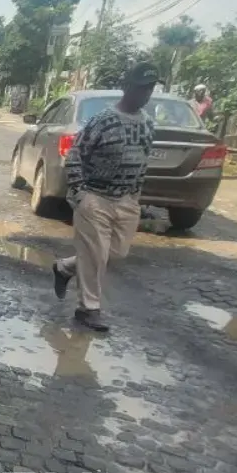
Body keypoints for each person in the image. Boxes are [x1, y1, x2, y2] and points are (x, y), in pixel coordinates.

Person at [52, 62, 158, 333]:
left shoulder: (147, 123)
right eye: (140, 88)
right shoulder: (103, 120)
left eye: (149, 89)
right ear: (127, 88)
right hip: (95, 197)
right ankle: (89, 308)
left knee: (114, 252)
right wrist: (80, 192)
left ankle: (65, 267)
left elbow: (143, 161)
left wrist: (137, 196)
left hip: (126, 200)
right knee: (96, 253)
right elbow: (75, 155)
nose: (145, 94)